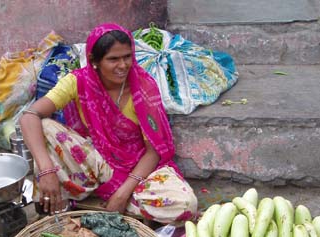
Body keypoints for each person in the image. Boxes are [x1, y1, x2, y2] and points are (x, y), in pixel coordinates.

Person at [19, 23, 197, 224]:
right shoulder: (78, 81)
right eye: (113, 59)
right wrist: (46, 171)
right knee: (43, 127)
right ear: (94, 61)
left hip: (138, 168)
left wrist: (122, 194)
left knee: (185, 205)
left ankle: (106, 199)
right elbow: (29, 116)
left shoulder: (143, 87)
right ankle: (110, 199)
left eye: (127, 57)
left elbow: (153, 151)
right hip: (98, 161)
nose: (123, 65)